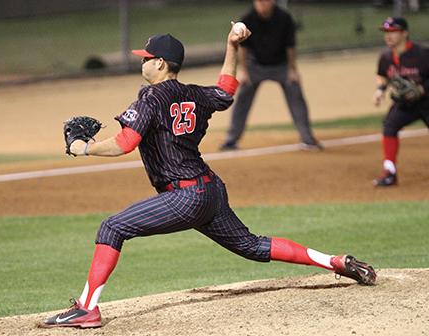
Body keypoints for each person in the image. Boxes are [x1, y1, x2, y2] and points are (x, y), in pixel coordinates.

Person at [42, 24, 375, 329]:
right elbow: (226, 91)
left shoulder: (151, 97)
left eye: (146, 58)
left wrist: (85, 148)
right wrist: (232, 45)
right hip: (210, 190)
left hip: (184, 197)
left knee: (112, 227)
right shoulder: (194, 94)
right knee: (251, 245)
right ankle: (335, 261)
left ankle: (87, 309)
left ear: (160, 64)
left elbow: (125, 143)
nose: (142, 63)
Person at [220, 0, 322, 152]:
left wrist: (292, 69)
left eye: (265, 1)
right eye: (259, 1)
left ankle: (307, 138)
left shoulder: (284, 18)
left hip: (281, 66)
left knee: (295, 91)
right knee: (242, 97)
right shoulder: (248, 18)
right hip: (255, 66)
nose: (261, 4)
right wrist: (245, 72)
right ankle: (231, 140)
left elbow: (290, 46)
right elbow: (243, 49)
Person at [372, 17, 429, 186]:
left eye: (392, 32)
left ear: (404, 33)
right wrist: (380, 90)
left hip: (427, 102)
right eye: (386, 32)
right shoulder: (385, 57)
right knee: (390, 126)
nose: (388, 36)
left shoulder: (423, 54)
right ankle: (389, 172)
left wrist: (422, 89)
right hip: (406, 104)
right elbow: (382, 75)